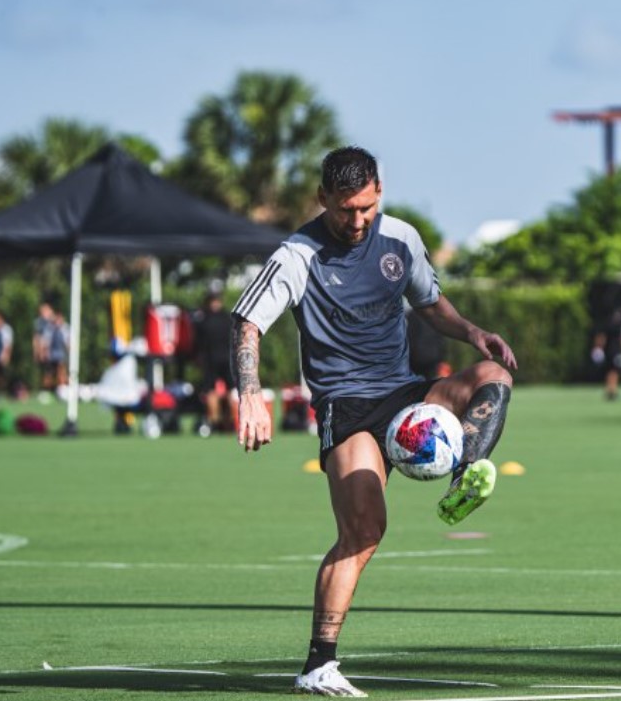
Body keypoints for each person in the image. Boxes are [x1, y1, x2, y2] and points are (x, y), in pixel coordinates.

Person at [231, 146, 516, 697]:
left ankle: (467, 474)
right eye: (345, 210)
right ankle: (319, 665)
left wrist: (473, 333)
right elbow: (247, 323)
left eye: (365, 207)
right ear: (323, 199)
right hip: (348, 409)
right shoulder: (296, 255)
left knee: (492, 375)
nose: (357, 220)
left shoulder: (401, 238)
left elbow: (429, 303)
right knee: (363, 533)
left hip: (406, 395)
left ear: (379, 191)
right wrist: (249, 395)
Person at [192, 292, 235, 432]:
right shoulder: (228, 318)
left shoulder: (202, 319)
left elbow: (196, 342)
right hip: (216, 359)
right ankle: (221, 422)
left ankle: (223, 421)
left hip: (217, 359)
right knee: (214, 391)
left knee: (221, 391)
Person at [33, 302, 58, 394]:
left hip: (55, 351)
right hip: (45, 351)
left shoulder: (53, 322)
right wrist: (38, 351)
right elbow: (37, 338)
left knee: (57, 371)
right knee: (47, 371)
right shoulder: (39, 323)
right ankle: (46, 390)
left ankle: (56, 390)